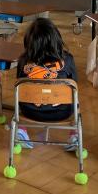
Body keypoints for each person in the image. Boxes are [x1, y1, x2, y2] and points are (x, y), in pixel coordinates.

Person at [15, 18, 78, 150]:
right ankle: (74, 135)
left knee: (21, 94)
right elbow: (75, 87)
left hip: (29, 111)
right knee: (74, 95)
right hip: (62, 112)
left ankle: (21, 131)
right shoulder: (68, 59)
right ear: (56, 39)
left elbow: (19, 86)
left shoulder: (23, 61)